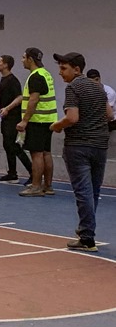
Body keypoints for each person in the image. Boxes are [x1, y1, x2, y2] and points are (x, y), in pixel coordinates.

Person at [50, 52, 113, 252]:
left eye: (64, 68)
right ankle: (86, 231)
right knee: (93, 191)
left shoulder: (73, 88)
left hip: (78, 146)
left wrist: (57, 125)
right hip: (100, 146)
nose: (60, 73)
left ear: (77, 69)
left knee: (82, 191)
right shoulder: (99, 88)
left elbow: (72, 118)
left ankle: (87, 237)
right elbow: (109, 114)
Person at [0, 55, 33, 183]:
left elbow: (20, 97)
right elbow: (0, 92)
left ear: (6, 65)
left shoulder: (12, 80)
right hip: (5, 118)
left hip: (13, 118)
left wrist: (7, 108)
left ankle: (33, 173)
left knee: (15, 147)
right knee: (7, 145)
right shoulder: (4, 79)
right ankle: (12, 174)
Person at [16, 48, 58, 197]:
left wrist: (24, 121)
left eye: (23, 57)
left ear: (30, 59)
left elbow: (33, 100)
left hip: (37, 120)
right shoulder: (46, 74)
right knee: (46, 152)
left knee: (36, 154)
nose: (22, 60)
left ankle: (35, 187)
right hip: (48, 120)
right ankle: (48, 186)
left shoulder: (35, 77)